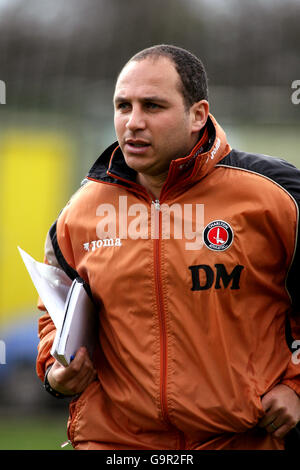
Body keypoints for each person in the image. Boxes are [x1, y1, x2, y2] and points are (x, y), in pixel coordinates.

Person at [36, 44, 300, 450]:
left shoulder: (277, 195)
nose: (133, 123)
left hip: (242, 440)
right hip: (115, 444)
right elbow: (53, 312)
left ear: (198, 114)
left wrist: (295, 385)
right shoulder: (81, 212)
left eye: (153, 106)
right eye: (123, 106)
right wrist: (56, 371)